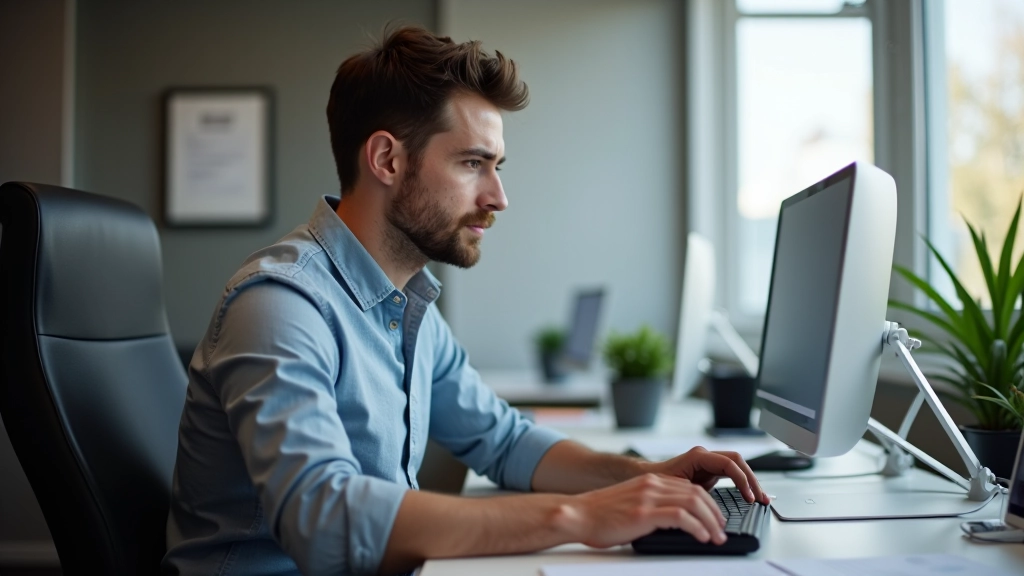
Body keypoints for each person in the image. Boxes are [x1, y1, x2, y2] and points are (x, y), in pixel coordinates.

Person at [162, 25, 769, 576]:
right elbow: (324, 519)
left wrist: (644, 477)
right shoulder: (281, 304)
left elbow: (503, 441)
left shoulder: (409, 307)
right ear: (387, 159)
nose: (499, 196)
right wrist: (579, 518)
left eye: (497, 165)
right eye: (473, 163)